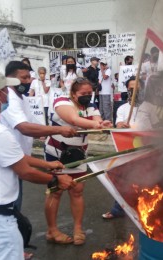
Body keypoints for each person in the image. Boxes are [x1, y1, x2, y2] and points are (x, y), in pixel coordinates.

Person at [0, 68, 75, 260]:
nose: (8, 94)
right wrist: (56, 180)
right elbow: (25, 172)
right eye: (6, 90)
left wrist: (47, 165)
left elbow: (15, 157)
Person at [1, 61, 76, 211]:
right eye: (24, 78)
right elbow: (24, 128)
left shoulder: (22, 98)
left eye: (29, 77)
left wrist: (59, 128)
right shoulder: (10, 99)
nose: (29, 81)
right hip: (9, 163)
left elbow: (36, 124)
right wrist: (58, 131)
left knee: (16, 202)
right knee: (10, 206)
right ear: (10, 79)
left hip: (20, 158)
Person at [44, 78, 112, 245]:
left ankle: (78, 228)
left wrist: (101, 123)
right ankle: (52, 230)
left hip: (79, 154)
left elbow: (96, 120)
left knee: (77, 190)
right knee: (56, 191)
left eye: (90, 93)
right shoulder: (61, 102)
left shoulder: (91, 106)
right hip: (57, 153)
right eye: (83, 94)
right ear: (73, 94)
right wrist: (96, 124)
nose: (87, 97)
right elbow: (74, 120)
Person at [102, 76, 144, 219]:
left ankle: (146, 209)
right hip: (127, 150)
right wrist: (121, 125)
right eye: (131, 88)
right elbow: (118, 124)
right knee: (123, 180)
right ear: (127, 90)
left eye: (137, 88)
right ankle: (117, 209)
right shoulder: (122, 108)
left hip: (147, 151)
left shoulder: (150, 108)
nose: (134, 91)